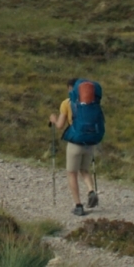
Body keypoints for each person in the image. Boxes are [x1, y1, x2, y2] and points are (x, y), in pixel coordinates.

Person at [49, 78, 99, 216]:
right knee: (85, 170)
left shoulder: (66, 103)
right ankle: (91, 190)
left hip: (75, 143)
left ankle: (78, 205)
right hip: (89, 142)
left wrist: (53, 119)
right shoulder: (91, 104)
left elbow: (60, 126)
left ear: (70, 89)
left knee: (72, 173)